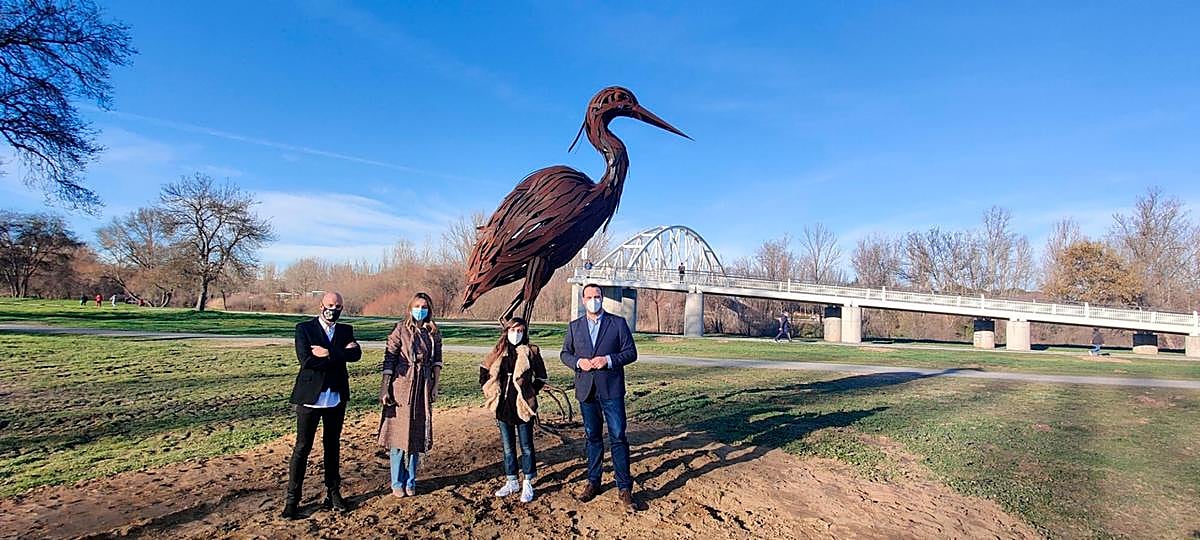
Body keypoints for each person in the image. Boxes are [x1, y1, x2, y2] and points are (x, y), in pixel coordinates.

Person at [281, 292, 361, 520]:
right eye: (330, 305)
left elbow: (356, 355)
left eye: (338, 306)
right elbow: (306, 360)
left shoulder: (345, 330)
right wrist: (339, 355)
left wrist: (328, 353)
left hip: (335, 397)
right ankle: (292, 500)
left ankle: (333, 493)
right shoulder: (304, 329)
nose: (333, 309)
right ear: (321, 305)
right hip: (310, 397)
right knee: (302, 447)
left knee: (332, 445)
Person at [560, 283, 639, 511]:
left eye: (597, 296)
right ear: (583, 300)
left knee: (618, 436)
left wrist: (609, 360)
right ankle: (593, 482)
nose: (593, 300)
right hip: (587, 390)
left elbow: (631, 353)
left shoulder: (618, 323)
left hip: (611, 390)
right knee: (593, 437)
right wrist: (578, 363)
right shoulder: (575, 327)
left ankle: (624, 487)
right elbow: (565, 354)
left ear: (602, 298)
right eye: (589, 297)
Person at [378, 292, 443, 498]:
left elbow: (437, 362)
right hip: (401, 385)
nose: (420, 310)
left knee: (417, 435)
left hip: (423, 386)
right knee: (398, 436)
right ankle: (397, 481)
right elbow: (389, 358)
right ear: (410, 308)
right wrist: (385, 387)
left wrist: (435, 386)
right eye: (417, 306)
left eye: (424, 307)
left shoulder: (433, 332)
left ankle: (411, 480)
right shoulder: (400, 329)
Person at [479, 317, 547, 503]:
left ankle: (528, 482)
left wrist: (530, 392)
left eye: (520, 331)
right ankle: (511, 481)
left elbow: (541, 376)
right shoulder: (499, 350)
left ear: (524, 333)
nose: (516, 334)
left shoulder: (531, 351)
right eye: (513, 330)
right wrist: (490, 390)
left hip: (523, 406)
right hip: (503, 405)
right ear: (507, 331)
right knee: (508, 447)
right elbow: (484, 370)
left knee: (526, 446)